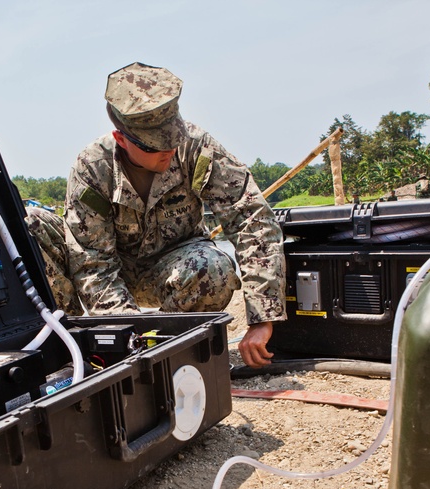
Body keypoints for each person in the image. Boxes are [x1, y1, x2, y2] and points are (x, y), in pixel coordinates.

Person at [26, 62, 285, 368]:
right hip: (112, 266)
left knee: (214, 268)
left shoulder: (196, 147)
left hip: (173, 263)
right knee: (30, 223)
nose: (170, 151)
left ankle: (170, 349)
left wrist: (262, 316)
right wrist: (123, 340)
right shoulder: (93, 168)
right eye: (156, 145)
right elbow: (93, 263)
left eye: (173, 139)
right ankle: (71, 346)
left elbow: (251, 220)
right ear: (121, 139)